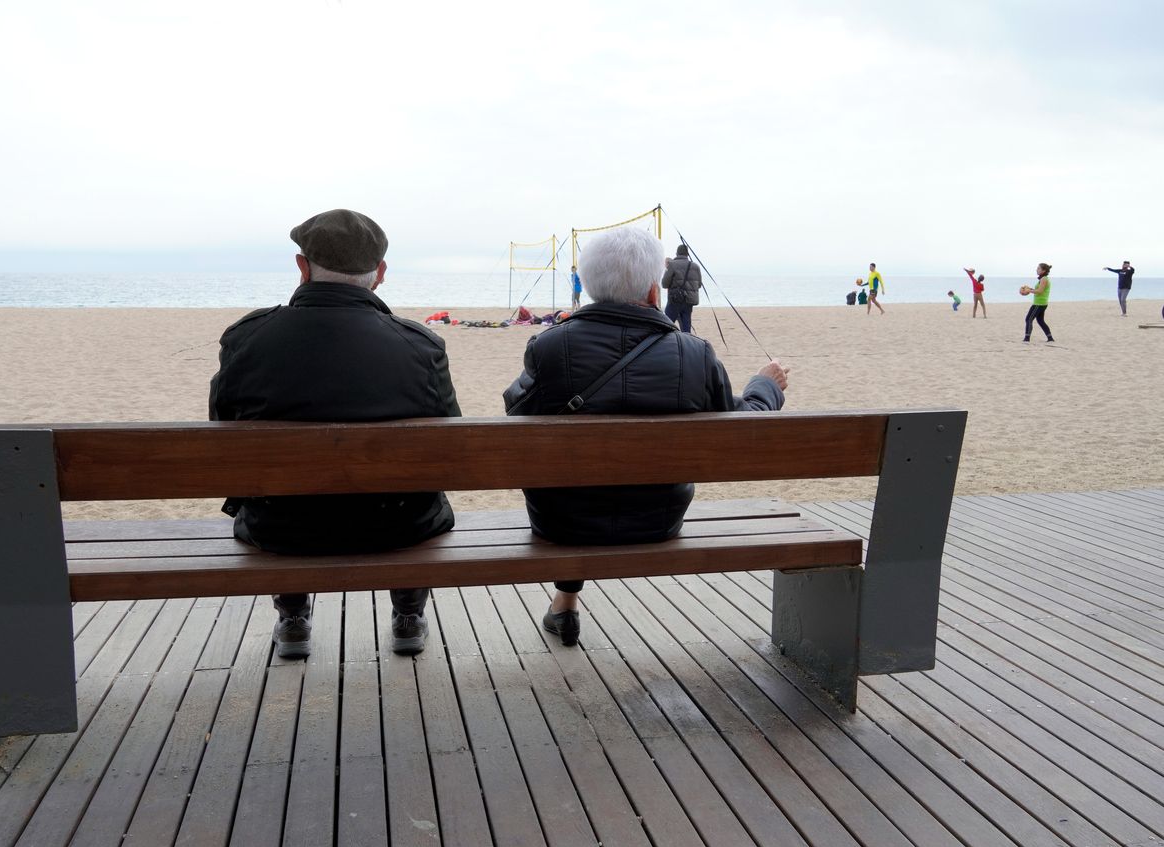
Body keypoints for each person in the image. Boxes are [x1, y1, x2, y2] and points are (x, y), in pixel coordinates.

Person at [503, 227, 790, 646]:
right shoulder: (696, 354)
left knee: (576, 479)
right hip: (657, 518)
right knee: (595, 478)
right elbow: (743, 432)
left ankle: (565, 603)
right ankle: (564, 603)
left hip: (563, 522)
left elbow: (516, 413)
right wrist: (766, 386)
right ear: (655, 292)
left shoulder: (548, 347)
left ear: (590, 287)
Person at [209, 209, 461, 659]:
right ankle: (407, 614)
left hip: (279, 527)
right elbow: (448, 450)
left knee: (279, 496)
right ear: (380, 273)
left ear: (302, 267)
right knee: (419, 491)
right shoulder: (421, 347)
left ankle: (293, 620)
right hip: (399, 526)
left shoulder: (246, 340)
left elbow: (222, 438)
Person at [661, 243, 702, 333]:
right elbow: (699, 285)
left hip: (675, 299)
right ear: (687, 254)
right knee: (686, 327)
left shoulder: (672, 265)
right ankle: (686, 344)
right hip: (689, 300)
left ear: (677, 253)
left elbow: (664, 284)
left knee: (666, 325)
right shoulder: (696, 266)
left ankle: (667, 343)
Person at [1021, 261, 1055, 343]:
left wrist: (1029, 290)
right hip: (1041, 303)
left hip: (1039, 304)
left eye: (1038, 268)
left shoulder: (1044, 279)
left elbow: (1040, 291)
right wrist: (1030, 289)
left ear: (1043, 271)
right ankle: (1050, 338)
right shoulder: (1043, 279)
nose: (1036, 269)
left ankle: (1027, 338)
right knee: (1040, 321)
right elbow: (1039, 290)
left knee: (1028, 319)